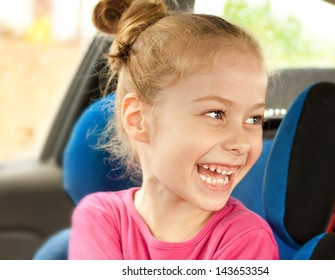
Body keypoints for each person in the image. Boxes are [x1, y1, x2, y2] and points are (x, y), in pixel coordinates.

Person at [69, 0, 279, 260]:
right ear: (138, 120)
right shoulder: (99, 218)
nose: (241, 143)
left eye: (254, 119)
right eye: (216, 114)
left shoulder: (246, 239)